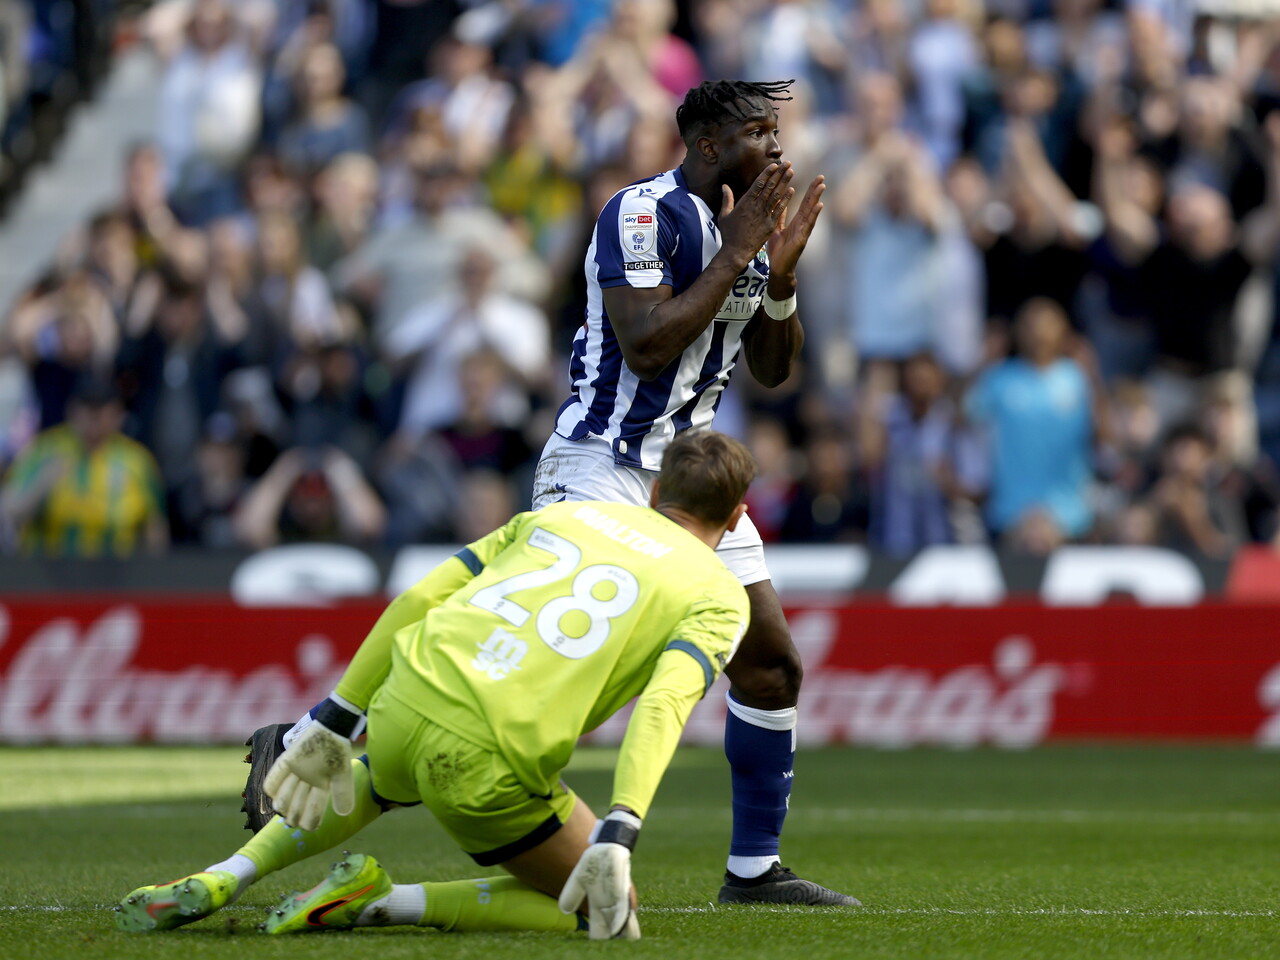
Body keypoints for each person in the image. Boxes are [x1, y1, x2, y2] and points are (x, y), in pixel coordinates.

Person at [115, 431, 757, 940]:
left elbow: (422, 595)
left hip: (404, 694)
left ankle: (227, 874)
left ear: (651, 494)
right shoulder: (719, 593)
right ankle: (382, 904)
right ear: (734, 519)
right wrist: (620, 826)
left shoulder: (567, 517)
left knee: (378, 777)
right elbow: (665, 706)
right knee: (609, 908)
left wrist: (335, 716)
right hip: (486, 757)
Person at [529, 79, 855, 906]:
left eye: (779, 133)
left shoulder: (751, 226)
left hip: (689, 477)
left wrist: (778, 280)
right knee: (558, 667)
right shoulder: (638, 214)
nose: (777, 149)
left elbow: (775, 372)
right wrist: (739, 251)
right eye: (758, 132)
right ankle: (364, 747)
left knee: (773, 667)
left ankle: (753, 872)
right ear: (708, 147)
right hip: (601, 462)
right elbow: (645, 345)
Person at [0, 377, 168, 557]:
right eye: (86, 407)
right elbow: (7, 510)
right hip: (48, 575)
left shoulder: (136, 461)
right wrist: (41, 485)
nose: (93, 417)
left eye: (101, 408)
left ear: (117, 413)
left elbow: (155, 528)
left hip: (116, 577)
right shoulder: (45, 451)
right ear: (71, 410)